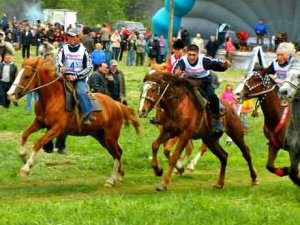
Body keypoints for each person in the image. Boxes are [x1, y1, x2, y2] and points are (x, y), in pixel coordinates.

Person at [173, 44, 231, 132]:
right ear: (186, 53)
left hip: (204, 81)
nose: (191, 57)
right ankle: (167, 115)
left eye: (194, 55)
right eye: (190, 54)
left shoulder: (204, 60)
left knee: (213, 98)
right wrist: (176, 71)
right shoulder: (183, 61)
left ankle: (216, 120)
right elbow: (176, 68)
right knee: (174, 93)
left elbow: (216, 63)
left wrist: (224, 65)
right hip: (189, 81)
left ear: (198, 54)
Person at [56, 27, 93, 125]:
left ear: (78, 37)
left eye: (73, 36)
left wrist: (76, 76)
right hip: (63, 76)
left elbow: (89, 67)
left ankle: (87, 114)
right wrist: (61, 67)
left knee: (80, 92)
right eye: (69, 36)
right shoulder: (63, 48)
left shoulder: (84, 50)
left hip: (78, 78)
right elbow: (58, 60)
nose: (70, 39)